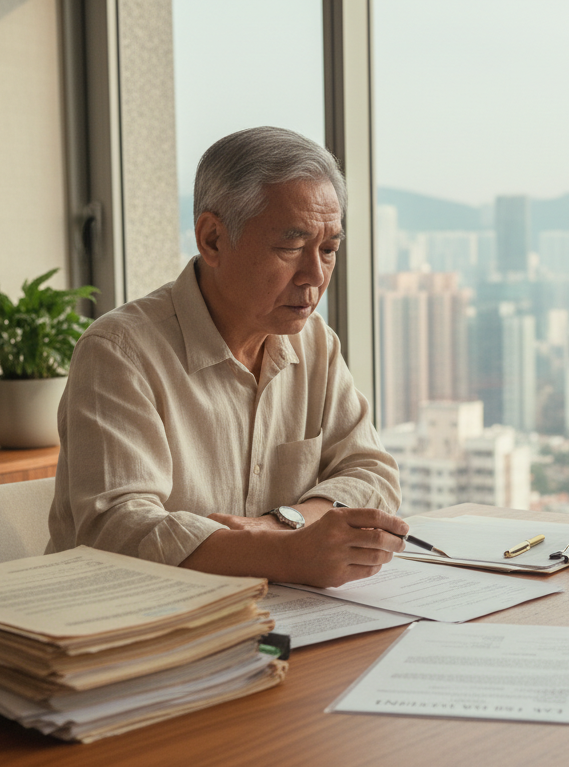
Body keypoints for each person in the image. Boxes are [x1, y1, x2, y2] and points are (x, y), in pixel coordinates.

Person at [47, 126, 406, 588]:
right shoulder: (119, 352)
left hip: (269, 615)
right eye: (291, 247)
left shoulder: (315, 342)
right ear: (213, 238)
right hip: (127, 623)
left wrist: (286, 523)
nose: (314, 276)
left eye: (329, 249)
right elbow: (118, 527)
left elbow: (371, 469)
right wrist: (283, 555)